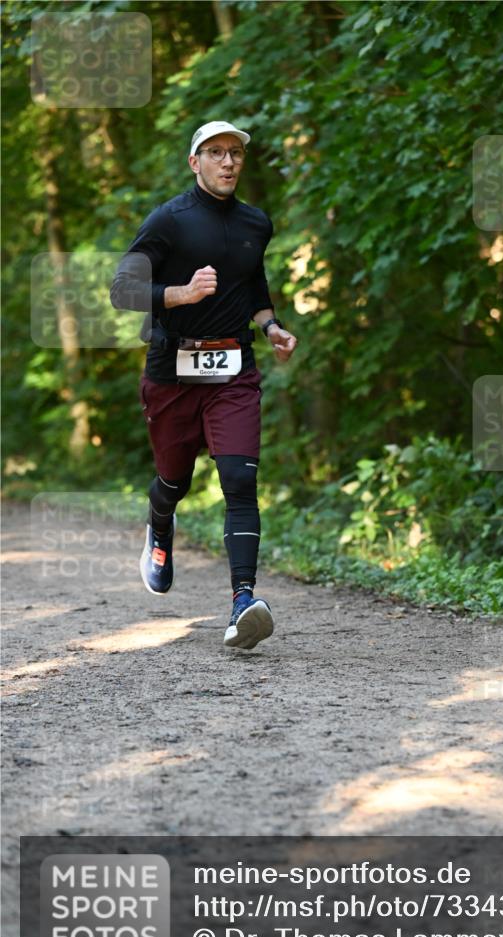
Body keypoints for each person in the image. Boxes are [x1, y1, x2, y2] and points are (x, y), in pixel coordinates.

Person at [110, 120, 297, 649]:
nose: (228, 162)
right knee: (173, 480)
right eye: (215, 153)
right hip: (172, 370)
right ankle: (160, 525)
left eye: (235, 153)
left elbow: (252, 280)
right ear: (195, 162)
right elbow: (121, 290)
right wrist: (181, 295)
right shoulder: (169, 220)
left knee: (239, 479)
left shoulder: (256, 223)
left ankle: (243, 602)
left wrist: (271, 326)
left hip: (234, 369)